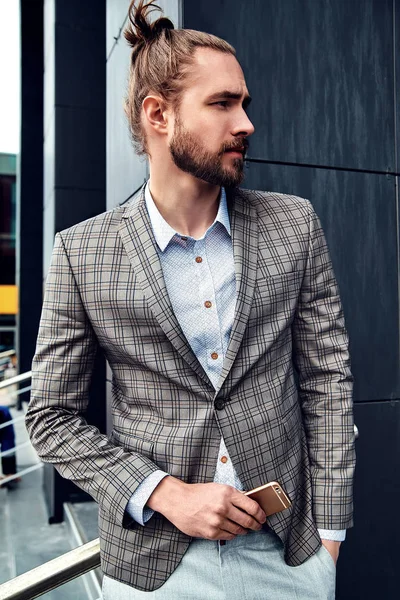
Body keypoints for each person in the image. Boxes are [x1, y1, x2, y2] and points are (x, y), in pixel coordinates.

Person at [26, 1, 356, 598]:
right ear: (159, 115)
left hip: (288, 553)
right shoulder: (83, 253)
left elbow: (326, 380)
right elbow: (50, 418)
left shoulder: (295, 225)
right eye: (222, 103)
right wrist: (162, 492)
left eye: (244, 103)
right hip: (156, 566)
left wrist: (328, 541)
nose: (246, 123)